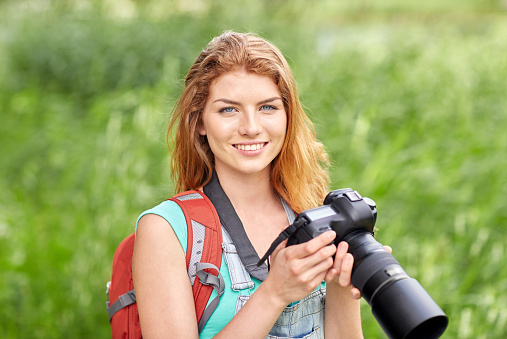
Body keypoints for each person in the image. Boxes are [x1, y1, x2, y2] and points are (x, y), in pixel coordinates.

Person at [133, 31, 366, 338]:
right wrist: (273, 293)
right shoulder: (166, 231)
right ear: (200, 121)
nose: (251, 128)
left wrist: (342, 284)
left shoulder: (312, 212)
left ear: (287, 115)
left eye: (268, 107)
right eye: (228, 109)